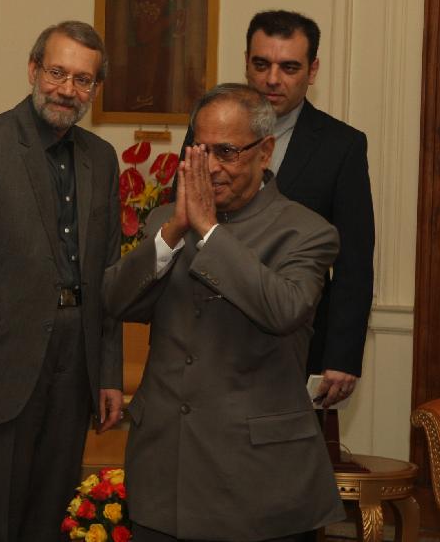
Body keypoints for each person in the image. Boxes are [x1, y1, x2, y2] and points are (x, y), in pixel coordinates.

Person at [105, 83, 344, 542]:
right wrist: (173, 232)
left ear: (265, 152)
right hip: (165, 472)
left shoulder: (306, 231)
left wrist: (209, 231)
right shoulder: (165, 222)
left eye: (227, 152)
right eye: (201, 150)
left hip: (258, 481)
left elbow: (284, 310)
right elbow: (115, 301)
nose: (211, 167)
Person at [0, 20, 124, 542]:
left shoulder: (101, 158)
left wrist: (108, 373)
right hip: (0, 367)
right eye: (57, 72)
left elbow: (109, 275)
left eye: (83, 79)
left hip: (76, 363)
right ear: (32, 69)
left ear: (95, 88)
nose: (67, 89)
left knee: (53, 513)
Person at [177, 10, 375, 408]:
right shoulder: (208, 130)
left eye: (289, 67)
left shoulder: (342, 146)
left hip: (293, 338)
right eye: (261, 64)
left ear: (312, 70)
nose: (272, 79)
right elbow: (184, 218)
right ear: (246, 63)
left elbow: (354, 260)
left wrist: (342, 356)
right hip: (208, 333)